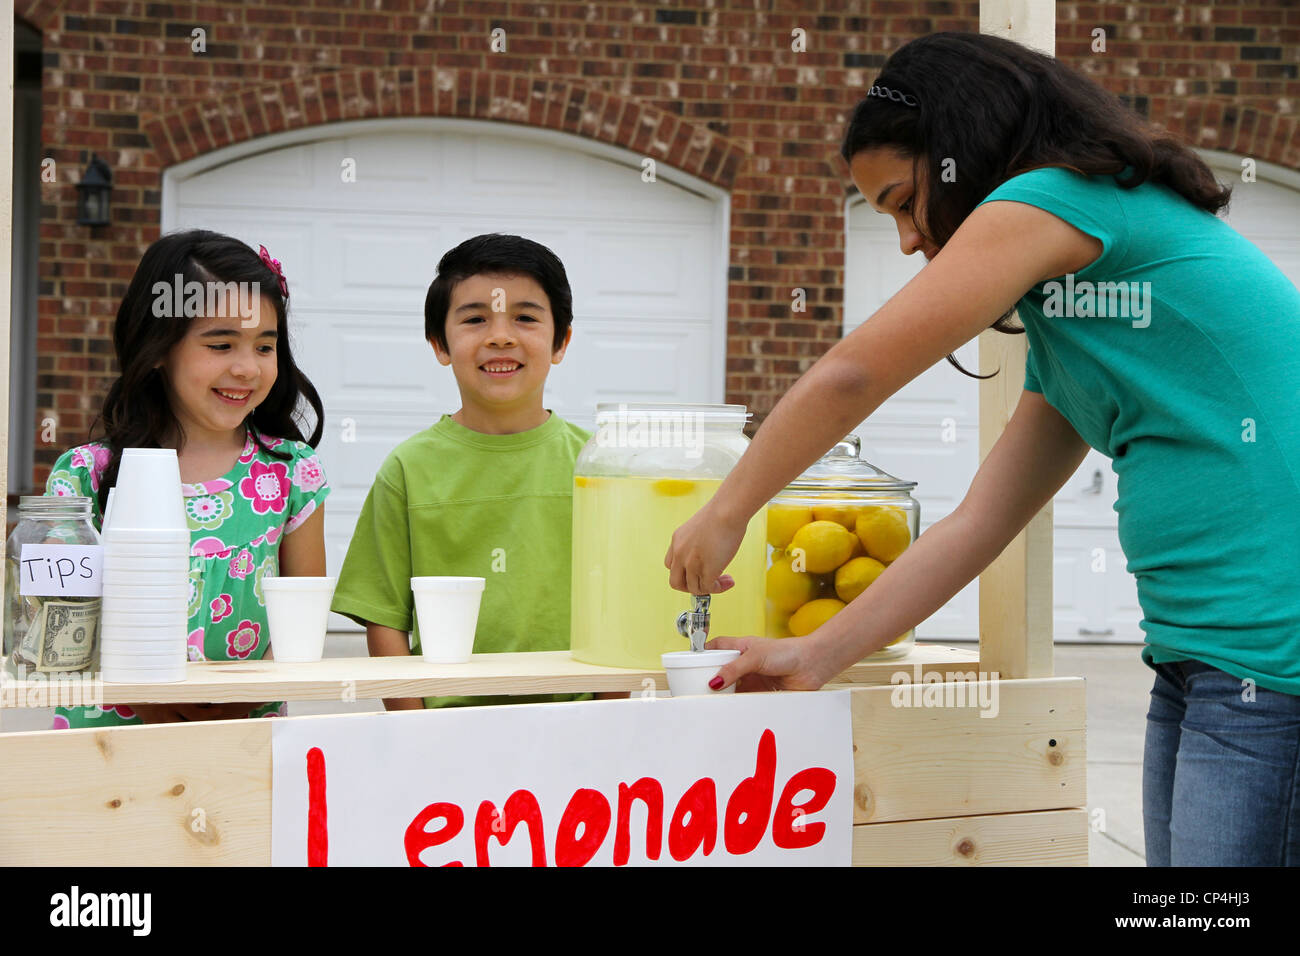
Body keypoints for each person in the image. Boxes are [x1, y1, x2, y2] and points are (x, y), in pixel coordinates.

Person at [664, 32, 1300, 866]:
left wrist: (728, 509)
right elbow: (977, 524)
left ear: (960, 152)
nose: (901, 240)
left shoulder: (1057, 197)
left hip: (1270, 656)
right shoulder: (1080, 327)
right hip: (1198, 654)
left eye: (900, 200)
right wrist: (815, 656)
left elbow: (854, 373)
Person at [46, 230, 330, 727]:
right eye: (221, 344)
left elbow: (301, 627)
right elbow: (56, 630)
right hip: (107, 750)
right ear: (157, 349)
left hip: (242, 745)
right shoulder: (82, 478)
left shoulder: (292, 473)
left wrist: (239, 696)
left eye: (265, 347)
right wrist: (151, 700)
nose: (247, 368)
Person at [331, 234, 592, 709]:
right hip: (445, 739)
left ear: (561, 341)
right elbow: (384, 620)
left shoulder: (597, 467)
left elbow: (618, 605)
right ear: (439, 343)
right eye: (475, 319)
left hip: (579, 731)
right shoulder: (407, 470)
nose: (500, 336)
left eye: (525, 318)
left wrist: (610, 716)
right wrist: (416, 730)